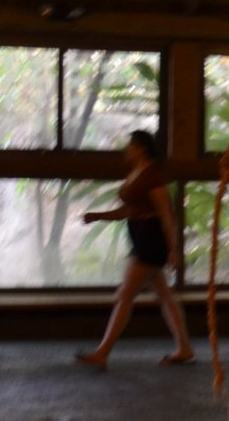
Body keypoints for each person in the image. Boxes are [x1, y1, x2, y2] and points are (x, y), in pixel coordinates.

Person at [74, 130, 195, 371]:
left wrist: (173, 249)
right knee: (164, 294)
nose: (126, 149)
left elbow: (166, 215)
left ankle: (102, 352)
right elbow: (128, 211)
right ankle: (184, 348)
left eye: (130, 145)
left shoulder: (153, 177)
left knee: (125, 295)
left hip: (151, 239)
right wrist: (98, 216)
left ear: (140, 148)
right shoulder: (137, 174)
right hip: (141, 236)